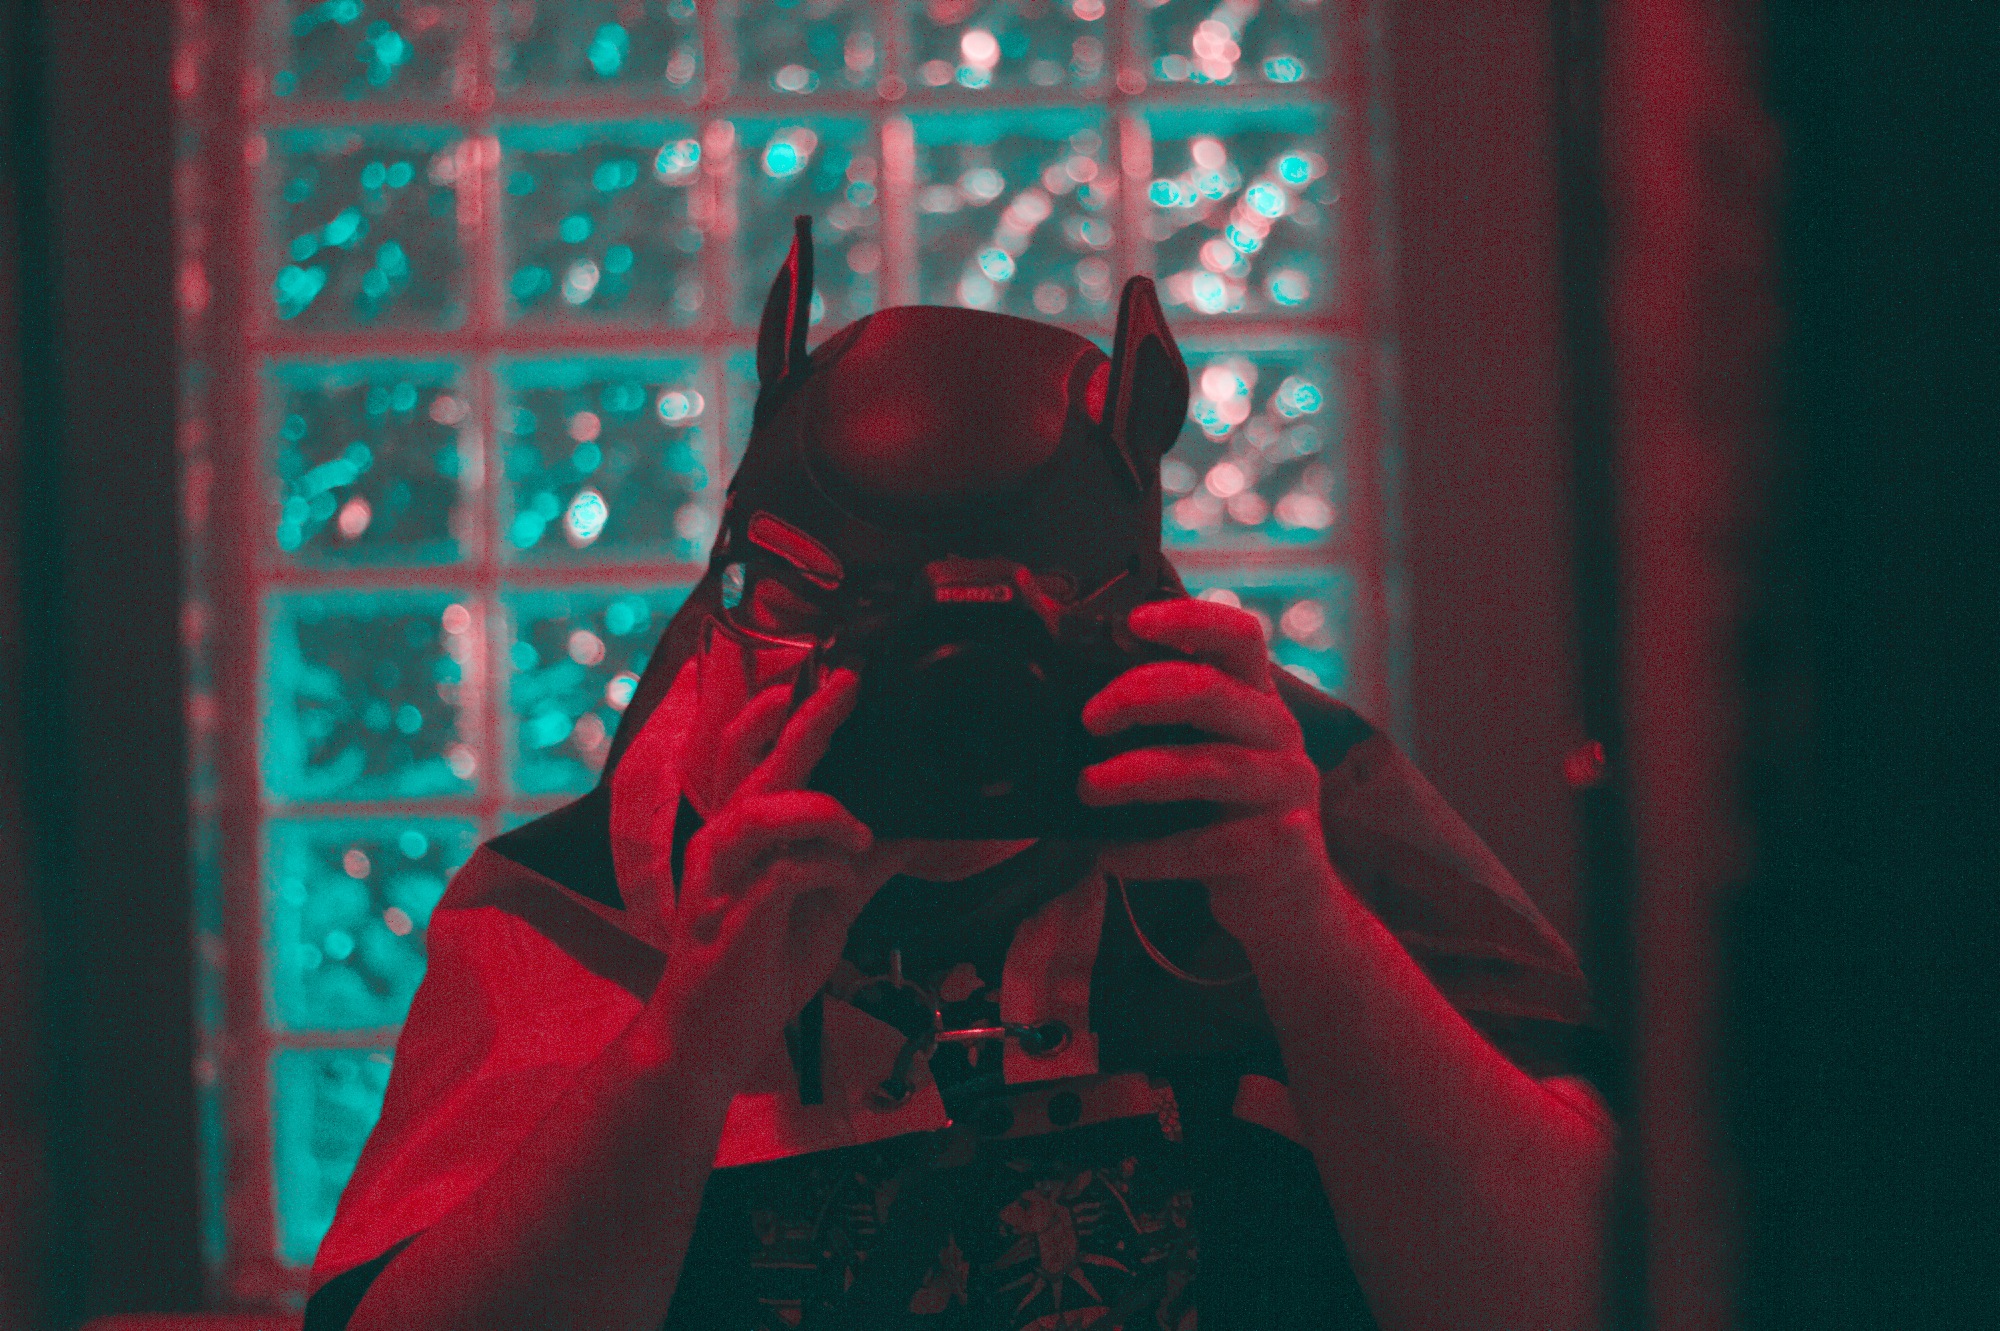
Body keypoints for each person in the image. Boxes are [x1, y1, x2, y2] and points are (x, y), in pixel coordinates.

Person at [305, 219, 1615, 1331]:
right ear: (726, 614)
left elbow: (1588, 1294)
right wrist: (688, 1037)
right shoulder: (588, 899)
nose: (936, 708)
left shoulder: (1278, 808)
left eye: (1000, 652)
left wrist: (1309, 933)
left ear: (1136, 617)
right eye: (831, 620)